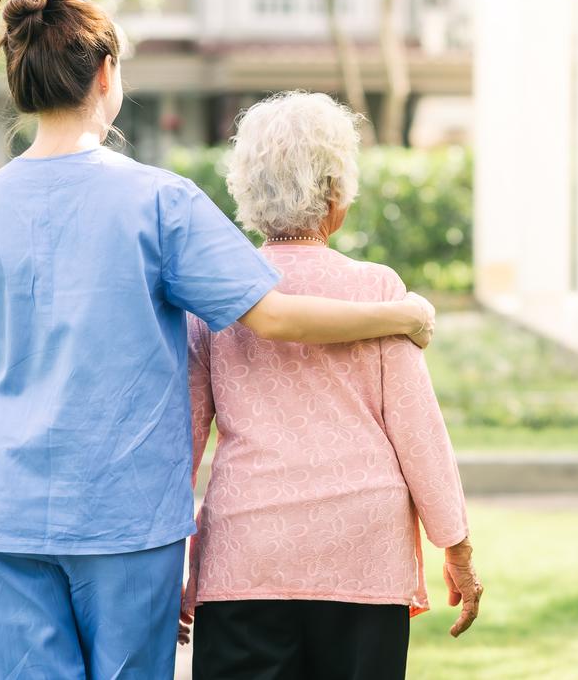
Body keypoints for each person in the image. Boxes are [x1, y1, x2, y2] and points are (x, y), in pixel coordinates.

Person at [0, 0, 435, 679]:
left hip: (9, 517)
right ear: (107, 74)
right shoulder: (159, 202)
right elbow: (275, 315)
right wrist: (397, 314)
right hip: (126, 522)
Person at [180, 91, 482, 680]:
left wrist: (166, 568)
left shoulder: (215, 300)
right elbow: (418, 432)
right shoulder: (377, 291)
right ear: (336, 198)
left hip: (247, 553)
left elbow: (181, 443)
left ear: (245, 193)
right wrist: (458, 548)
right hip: (363, 555)